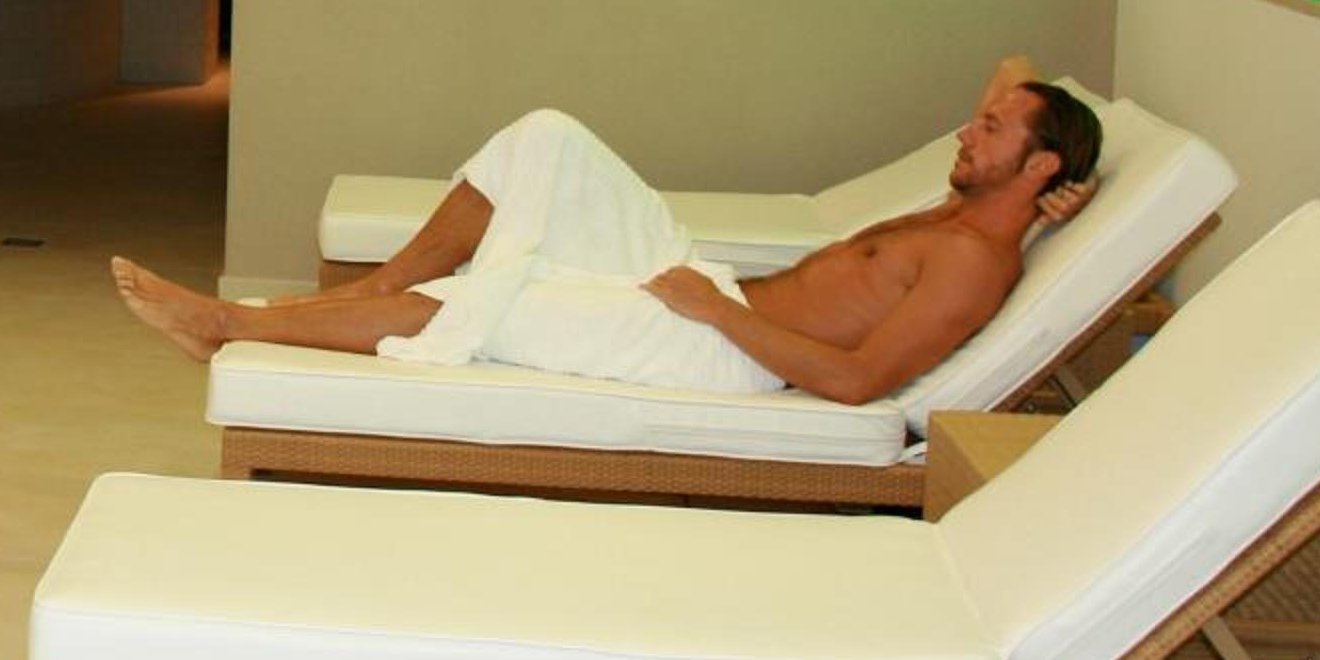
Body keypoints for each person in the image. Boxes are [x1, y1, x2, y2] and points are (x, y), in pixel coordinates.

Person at [113, 57, 1101, 405]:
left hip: (726, 351)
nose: (967, 131)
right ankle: (376, 292)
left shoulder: (973, 262)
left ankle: (232, 324)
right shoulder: (972, 203)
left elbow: (855, 382)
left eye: (991, 130)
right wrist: (1054, 189)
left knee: (496, 298)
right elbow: (1017, 70)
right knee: (547, 140)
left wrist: (712, 311)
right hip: (713, 292)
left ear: (1040, 162)